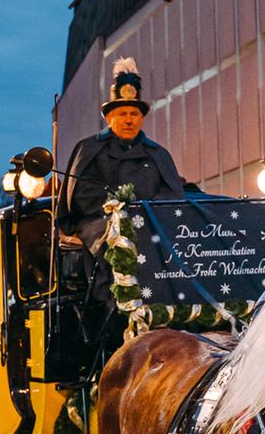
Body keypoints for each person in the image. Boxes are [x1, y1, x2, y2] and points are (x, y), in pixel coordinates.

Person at [59, 58, 196, 278]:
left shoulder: (158, 154)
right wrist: (117, 210)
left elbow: (172, 194)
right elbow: (81, 197)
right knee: (117, 240)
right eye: (122, 114)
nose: (129, 120)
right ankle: (116, 299)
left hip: (151, 224)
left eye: (134, 114)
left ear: (142, 119)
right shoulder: (89, 148)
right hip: (99, 224)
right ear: (109, 117)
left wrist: (148, 211)